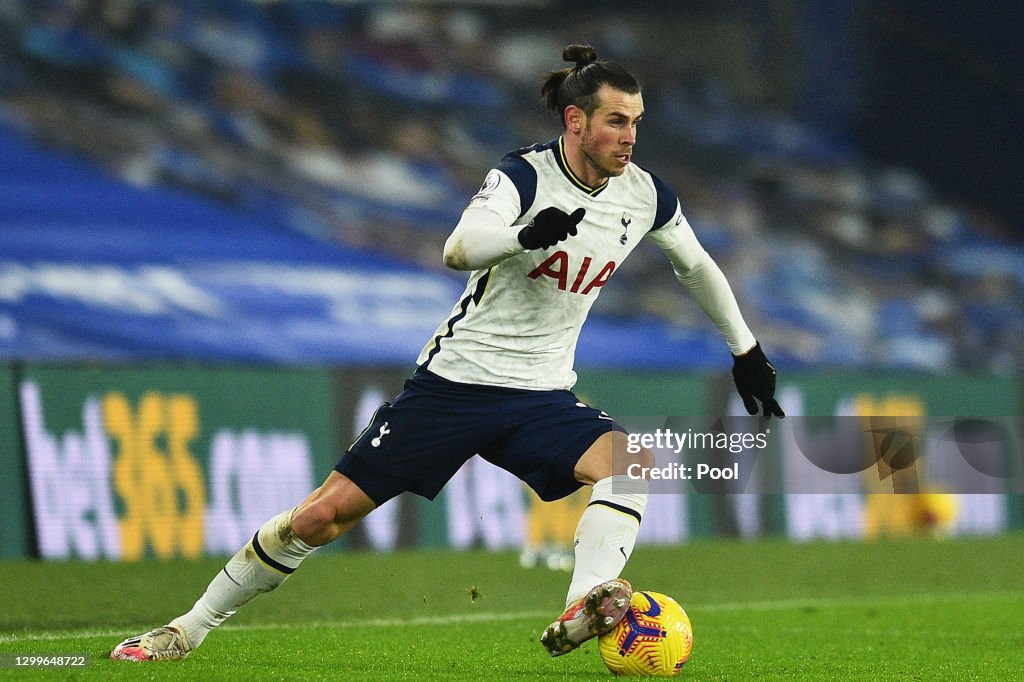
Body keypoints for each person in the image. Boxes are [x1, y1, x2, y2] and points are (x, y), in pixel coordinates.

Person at [111, 43, 783, 663]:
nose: (629, 137)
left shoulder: (646, 195)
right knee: (321, 517)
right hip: (455, 385)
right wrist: (524, 236)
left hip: (540, 395)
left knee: (631, 463)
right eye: (615, 120)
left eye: (636, 122)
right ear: (575, 121)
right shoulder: (523, 175)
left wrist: (745, 350)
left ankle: (586, 601)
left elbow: (696, 266)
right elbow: (458, 247)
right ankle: (184, 630)